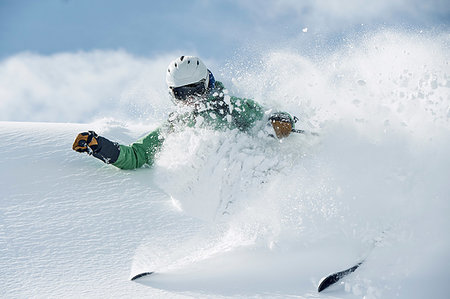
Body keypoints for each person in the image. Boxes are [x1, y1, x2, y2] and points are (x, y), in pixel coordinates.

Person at [73, 56, 296, 170]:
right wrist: (102, 148)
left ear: (207, 83)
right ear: (172, 93)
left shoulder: (230, 107)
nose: (190, 99)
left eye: (195, 90)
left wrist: (282, 122)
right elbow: (138, 156)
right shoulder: (177, 124)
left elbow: (267, 117)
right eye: (181, 93)